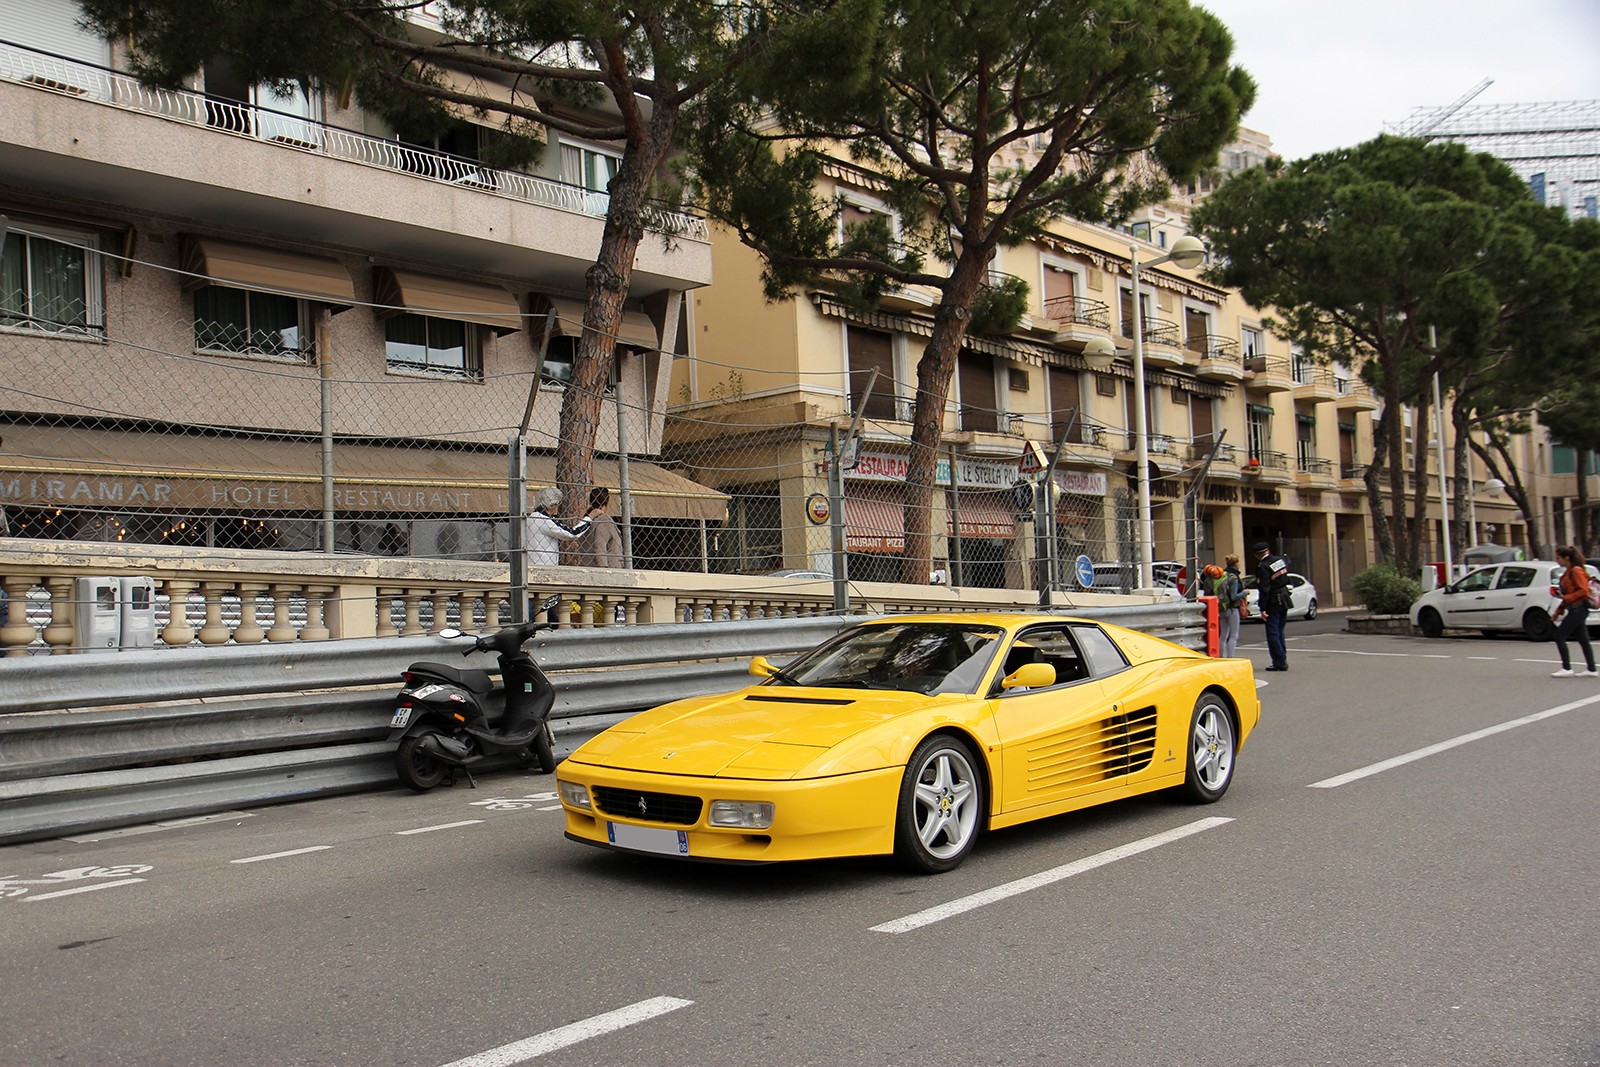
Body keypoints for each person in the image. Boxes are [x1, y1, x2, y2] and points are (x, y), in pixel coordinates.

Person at [1549, 545, 1596, 678]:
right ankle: (1591, 669)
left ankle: (1566, 668)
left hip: (1579, 608)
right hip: (1575, 608)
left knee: (1559, 636)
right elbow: (1569, 593)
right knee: (1583, 639)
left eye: (1558, 558)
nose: (1557, 560)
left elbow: (1583, 590)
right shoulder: (1568, 572)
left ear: (1567, 558)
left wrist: (1566, 598)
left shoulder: (1576, 570)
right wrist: (1559, 611)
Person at [526, 486, 601, 567]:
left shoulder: (531, 518)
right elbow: (572, 533)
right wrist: (589, 517)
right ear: (553, 505)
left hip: (531, 563)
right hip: (544, 565)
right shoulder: (544, 520)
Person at [1253, 540, 1292, 672]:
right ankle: (1282, 659)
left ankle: (1279, 662)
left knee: (1272, 632)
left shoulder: (1263, 567)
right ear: (1268, 551)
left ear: (1257, 555)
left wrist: (1262, 608)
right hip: (1285, 597)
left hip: (1273, 600)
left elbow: (1264, 588)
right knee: (1280, 630)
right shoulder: (1279, 560)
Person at [1210, 555, 1246, 658]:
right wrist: (1244, 593)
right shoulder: (1233, 578)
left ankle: (1220, 656)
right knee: (1234, 635)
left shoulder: (1221, 575)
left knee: (1223, 635)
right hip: (1232, 608)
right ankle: (1230, 657)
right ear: (1236, 563)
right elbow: (1234, 596)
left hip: (1221, 608)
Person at [583, 486, 624, 568]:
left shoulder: (586, 520)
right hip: (610, 570)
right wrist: (603, 570)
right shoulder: (604, 520)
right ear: (606, 503)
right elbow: (599, 546)